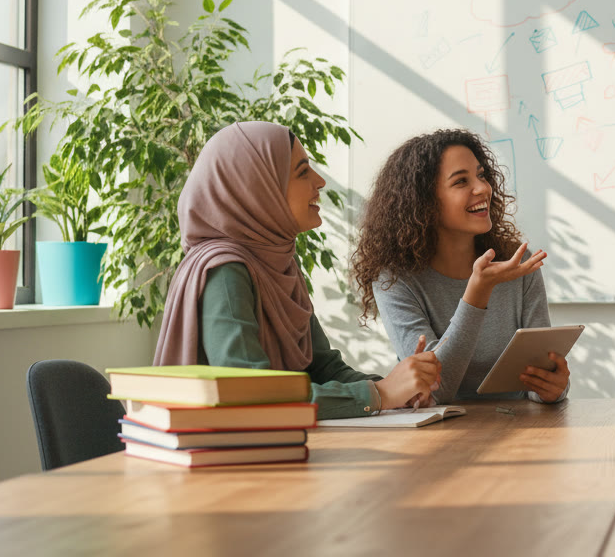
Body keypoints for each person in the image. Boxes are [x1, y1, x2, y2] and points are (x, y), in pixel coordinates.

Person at [154, 121, 442, 419]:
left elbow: (322, 366)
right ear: (256, 186)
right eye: (303, 172)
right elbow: (247, 393)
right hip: (225, 460)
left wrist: (396, 389)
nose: (320, 181)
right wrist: (379, 395)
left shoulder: (278, 262)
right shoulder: (225, 270)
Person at [352, 129, 569, 404]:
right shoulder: (395, 281)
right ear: (424, 202)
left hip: (518, 427)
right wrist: (477, 293)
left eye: (481, 175)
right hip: (437, 433)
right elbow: (436, 390)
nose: (482, 188)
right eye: (461, 182)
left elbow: (537, 377)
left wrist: (553, 388)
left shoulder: (518, 264)